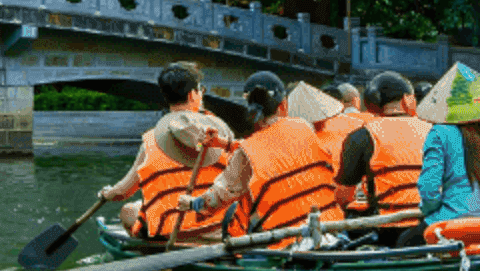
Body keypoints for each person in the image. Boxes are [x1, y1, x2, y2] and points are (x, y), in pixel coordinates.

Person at [183, 71, 345, 241]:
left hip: (286, 244)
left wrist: (192, 204)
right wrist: (225, 144)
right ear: (283, 105)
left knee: (241, 217)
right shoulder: (304, 126)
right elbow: (275, 147)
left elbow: (218, 198)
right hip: (331, 228)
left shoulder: (247, 151)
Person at [98, 63, 231, 238]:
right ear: (192, 95)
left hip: (169, 233)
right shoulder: (222, 134)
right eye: (201, 89)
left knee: (128, 211)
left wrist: (107, 194)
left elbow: (123, 191)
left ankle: (146, 247)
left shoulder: (151, 140)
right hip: (217, 228)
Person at [405, 63, 480, 243]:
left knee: (404, 242)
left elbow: (429, 189)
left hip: (455, 222)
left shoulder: (440, 132)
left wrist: (429, 212)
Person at [333, 71, 426, 243]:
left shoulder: (361, 136)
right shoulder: (432, 129)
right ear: (407, 100)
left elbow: (343, 197)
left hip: (388, 228)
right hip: (432, 224)